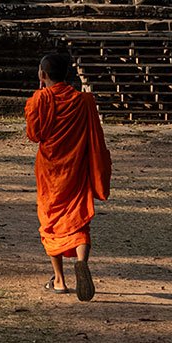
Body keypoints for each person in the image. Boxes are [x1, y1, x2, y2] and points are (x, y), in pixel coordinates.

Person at [24, 50, 111, 300]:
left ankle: (60, 280)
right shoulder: (84, 101)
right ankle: (82, 262)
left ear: (42, 74)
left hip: (51, 171)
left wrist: (40, 98)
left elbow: (34, 134)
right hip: (77, 168)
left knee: (51, 220)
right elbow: (96, 135)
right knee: (78, 219)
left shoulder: (40, 99)